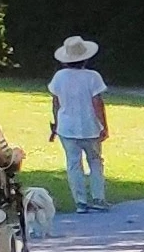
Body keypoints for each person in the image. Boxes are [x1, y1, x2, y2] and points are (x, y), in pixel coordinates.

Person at [47, 35, 111, 213]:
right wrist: (104, 125)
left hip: (67, 127)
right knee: (95, 162)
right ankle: (98, 198)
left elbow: (56, 102)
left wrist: (56, 123)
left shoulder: (59, 77)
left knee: (73, 164)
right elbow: (97, 103)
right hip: (90, 126)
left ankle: (80, 201)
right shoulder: (93, 77)